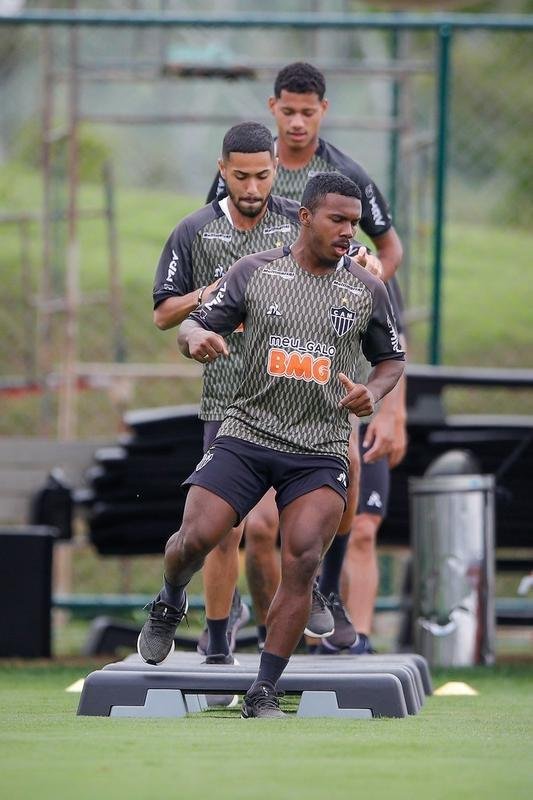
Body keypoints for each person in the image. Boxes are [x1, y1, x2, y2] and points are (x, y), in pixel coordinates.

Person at [137, 172, 405, 718]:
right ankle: (169, 599)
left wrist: (371, 392)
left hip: (319, 447)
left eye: (354, 223)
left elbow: (392, 359)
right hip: (248, 432)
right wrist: (198, 340)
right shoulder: (255, 273)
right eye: (338, 220)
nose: (349, 232)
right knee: (198, 536)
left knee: (303, 556)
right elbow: (189, 327)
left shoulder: (365, 289)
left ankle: (263, 687)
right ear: (305, 217)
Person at [207, 61, 406, 649]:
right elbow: (223, 237)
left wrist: (357, 283)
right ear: (272, 109)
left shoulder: (347, 175)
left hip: (330, 349)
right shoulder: (249, 171)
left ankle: (326, 596)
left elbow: (387, 253)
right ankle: (271, 629)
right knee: (257, 525)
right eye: (287, 111)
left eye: (308, 112)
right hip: (266, 353)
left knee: (343, 489)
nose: (297, 122)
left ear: (323, 111)